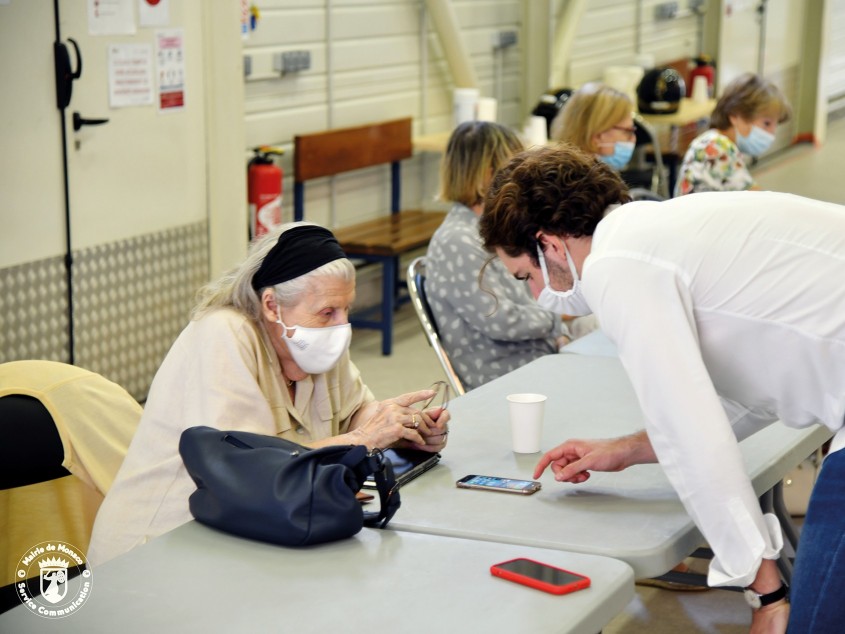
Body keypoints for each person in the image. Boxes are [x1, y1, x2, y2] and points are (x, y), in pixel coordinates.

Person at [478, 144, 845, 633]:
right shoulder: (654, 230)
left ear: (548, 245)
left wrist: (767, 593)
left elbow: (694, 435)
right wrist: (629, 449)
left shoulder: (617, 263)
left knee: (817, 620)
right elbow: (743, 396)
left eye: (525, 275)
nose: (533, 294)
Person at [88, 223, 450, 565]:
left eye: (346, 309)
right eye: (327, 312)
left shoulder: (319, 339)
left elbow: (355, 411)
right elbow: (250, 474)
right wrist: (362, 440)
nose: (342, 326)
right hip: (159, 547)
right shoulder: (223, 334)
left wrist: (402, 428)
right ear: (272, 305)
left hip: (252, 535)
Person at [425, 121, 571, 390]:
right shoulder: (456, 241)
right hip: (504, 377)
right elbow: (500, 321)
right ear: (491, 174)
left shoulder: (496, 227)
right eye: (518, 167)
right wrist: (557, 317)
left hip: (537, 357)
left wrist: (559, 332)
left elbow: (536, 292)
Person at [674, 73, 792, 197]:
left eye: (775, 126)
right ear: (736, 115)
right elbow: (758, 199)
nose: (771, 134)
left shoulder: (709, 140)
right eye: (766, 123)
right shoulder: (718, 147)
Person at [550, 82, 637, 171]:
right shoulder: (588, 182)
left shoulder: (559, 172)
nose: (633, 139)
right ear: (597, 135)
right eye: (628, 131)